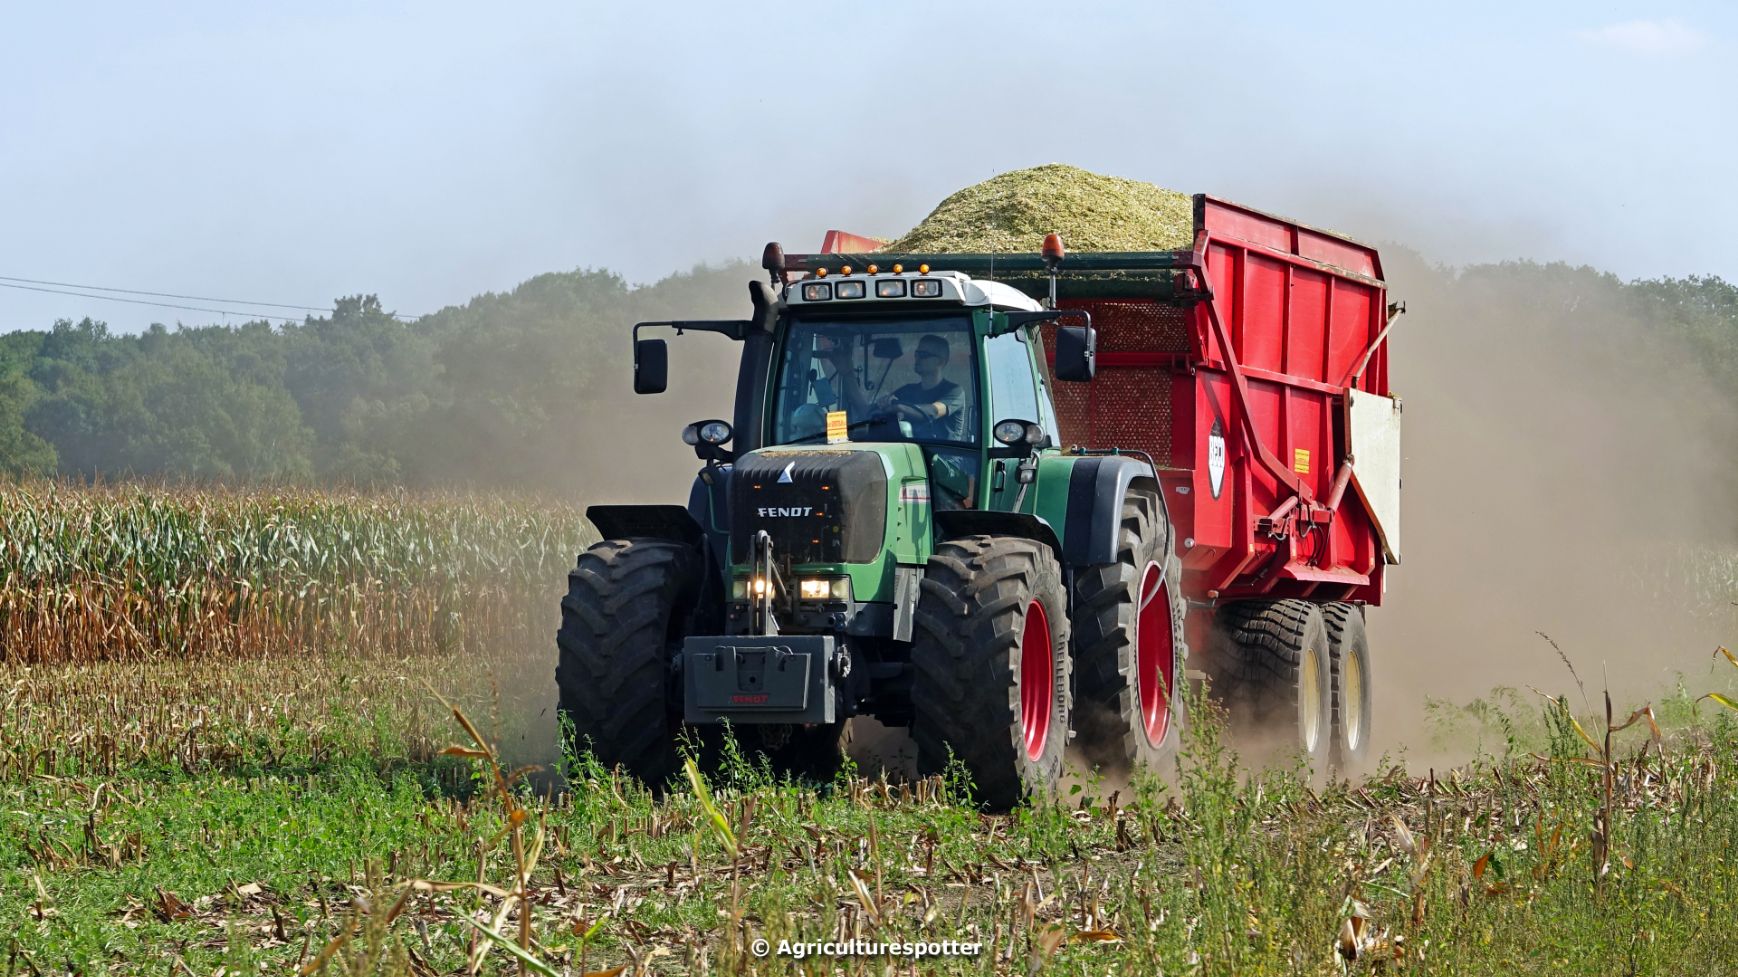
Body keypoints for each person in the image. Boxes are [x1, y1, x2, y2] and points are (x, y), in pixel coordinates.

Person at [878, 334, 968, 441]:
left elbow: (933, 412)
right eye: (917, 354)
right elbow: (875, 410)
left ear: (940, 361)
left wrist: (900, 407)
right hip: (912, 452)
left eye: (924, 355)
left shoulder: (954, 391)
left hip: (944, 455)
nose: (917, 359)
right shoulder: (907, 390)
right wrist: (884, 404)